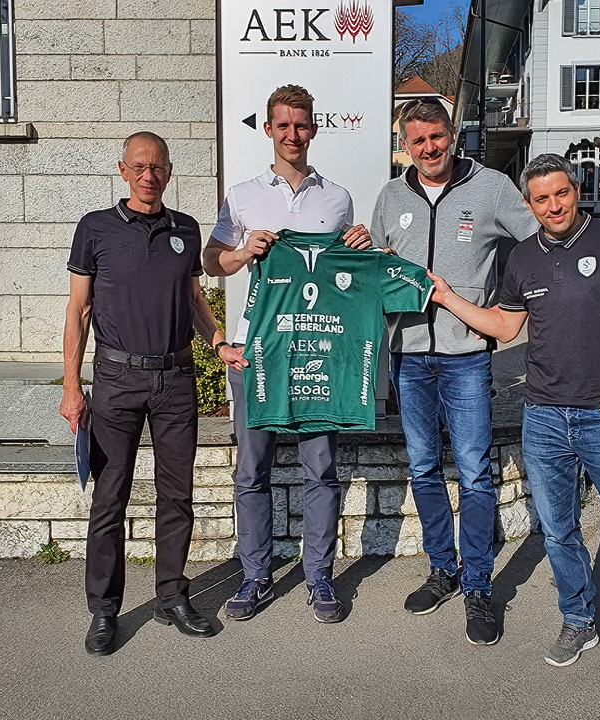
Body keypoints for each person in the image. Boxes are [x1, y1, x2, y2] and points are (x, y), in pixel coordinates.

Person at [426, 153, 600, 706]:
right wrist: (449, 297)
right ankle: (578, 619)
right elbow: (505, 324)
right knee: (559, 532)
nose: (553, 206)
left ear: (576, 190)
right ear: (530, 204)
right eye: (541, 199)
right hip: (543, 417)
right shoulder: (521, 258)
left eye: (561, 194)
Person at [60, 131, 246, 656]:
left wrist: (217, 342)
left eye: (158, 167)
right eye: (139, 166)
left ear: (168, 171)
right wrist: (73, 386)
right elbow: (77, 311)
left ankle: (171, 597)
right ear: (123, 170)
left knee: (177, 496)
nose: (149, 175)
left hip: (175, 381)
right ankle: (104, 611)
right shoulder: (94, 229)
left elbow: (193, 299)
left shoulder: (184, 229)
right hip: (116, 381)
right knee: (110, 499)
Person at [368, 98, 538, 645]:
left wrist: (514, 305)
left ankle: (479, 587)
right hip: (409, 356)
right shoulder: (392, 196)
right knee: (422, 467)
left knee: (474, 471)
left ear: (452, 133)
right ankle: (443, 569)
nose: (429, 148)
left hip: (467, 357)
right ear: (406, 144)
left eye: (436, 136)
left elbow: (536, 244)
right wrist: (363, 246)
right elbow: (376, 264)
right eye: (417, 140)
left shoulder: (490, 187)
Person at [203, 85, 371, 624]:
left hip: (318, 352)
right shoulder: (242, 195)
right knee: (252, 470)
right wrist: (239, 252)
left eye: (301, 126)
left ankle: (319, 576)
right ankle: (255, 576)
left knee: (320, 469)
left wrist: (360, 245)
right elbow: (210, 262)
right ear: (269, 130)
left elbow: (347, 276)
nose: (292, 135)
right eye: (283, 126)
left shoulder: (338, 197)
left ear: (313, 130)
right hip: (258, 355)